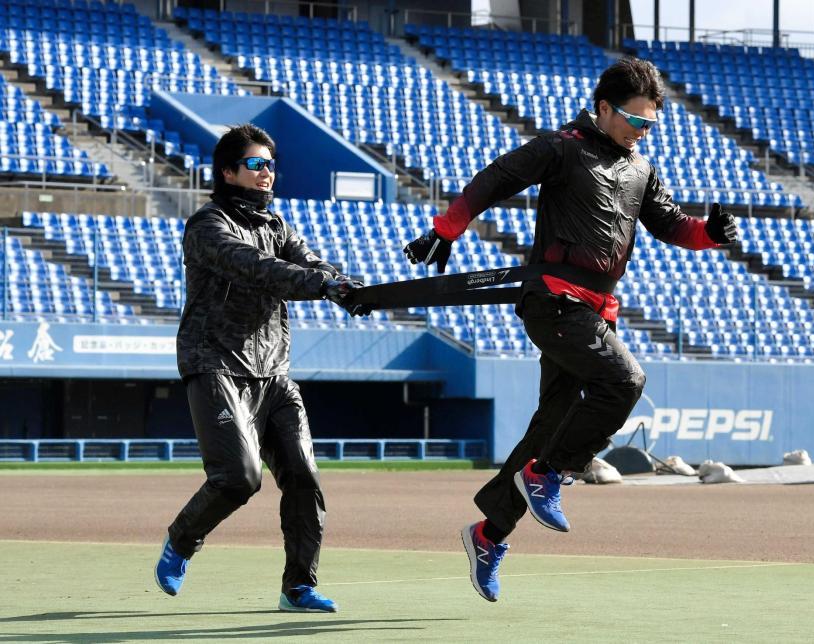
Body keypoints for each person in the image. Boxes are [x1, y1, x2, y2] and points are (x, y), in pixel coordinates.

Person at [403, 58, 739, 602]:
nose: (641, 131)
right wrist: (447, 228)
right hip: (554, 302)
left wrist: (710, 233)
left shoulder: (640, 168)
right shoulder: (561, 148)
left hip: (595, 308)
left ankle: (489, 534)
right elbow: (497, 177)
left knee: (549, 430)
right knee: (624, 382)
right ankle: (551, 473)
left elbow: (670, 223)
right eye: (635, 119)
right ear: (603, 108)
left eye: (651, 124)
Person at [154, 123, 368, 613]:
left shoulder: (278, 226)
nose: (267, 171)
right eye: (256, 164)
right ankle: (182, 540)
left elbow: (311, 263)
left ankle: (299, 587)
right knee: (239, 477)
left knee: (304, 477)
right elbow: (257, 267)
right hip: (216, 366)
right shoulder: (208, 226)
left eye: (271, 163)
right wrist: (321, 285)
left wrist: (346, 286)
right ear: (229, 171)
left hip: (273, 371)